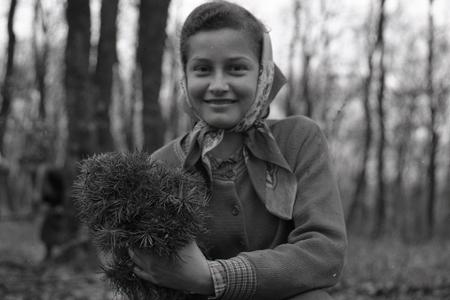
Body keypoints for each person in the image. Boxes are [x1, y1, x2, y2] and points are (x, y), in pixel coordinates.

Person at [128, 1, 347, 299]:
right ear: (185, 75)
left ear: (262, 74)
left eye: (236, 68)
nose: (218, 84)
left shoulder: (298, 140)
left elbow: (324, 251)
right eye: (203, 69)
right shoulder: (162, 164)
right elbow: (150, 268)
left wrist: (213, 277)